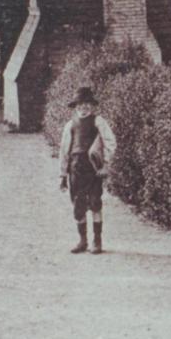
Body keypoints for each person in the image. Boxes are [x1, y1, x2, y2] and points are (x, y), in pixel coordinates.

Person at [59, 87, 117, 254]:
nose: (84, 107)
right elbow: (64, 150)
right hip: (76, 168)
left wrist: (105, 164)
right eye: (80, 104)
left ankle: (97, 241)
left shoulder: (98, 121)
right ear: (75, 106)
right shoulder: (70, 125)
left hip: (92, 169)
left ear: (92, 106)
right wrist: (63, 174)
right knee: (78, 205)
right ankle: (82, 240)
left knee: (95, 202)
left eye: (87, 104)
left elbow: (110, 143)